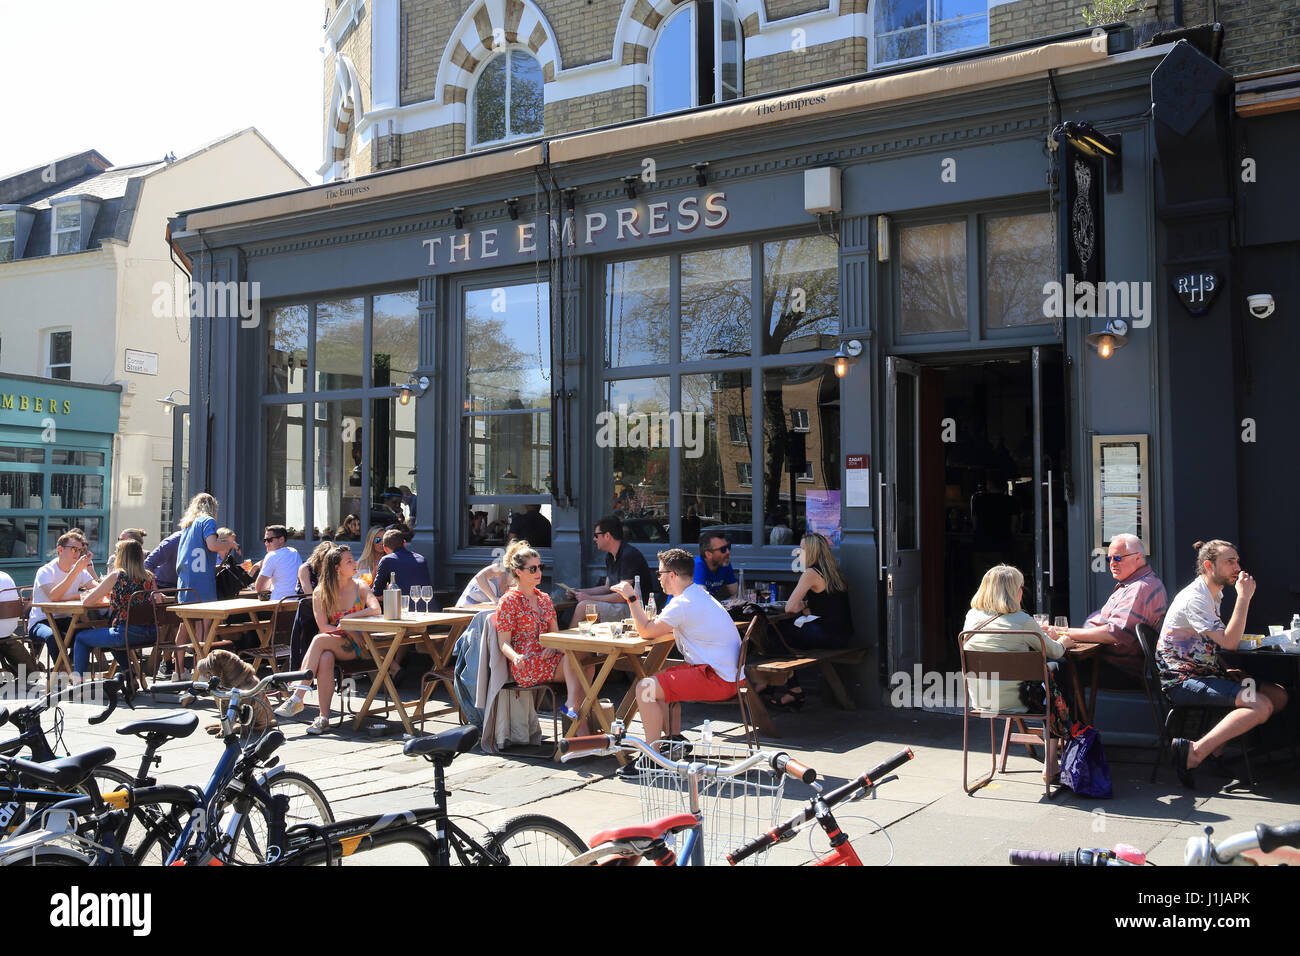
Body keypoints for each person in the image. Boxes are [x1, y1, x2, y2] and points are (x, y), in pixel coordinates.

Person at [1160, 540, 1287, 788]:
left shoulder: (1213, 593)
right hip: (1183, 680)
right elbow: (1229, 641)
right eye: (1230, 562)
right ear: (1209, 565)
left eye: (1237, 561)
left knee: (1277, 695)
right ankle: (1195, 752)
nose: (1237, 567)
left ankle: (1216, 752)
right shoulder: (1195, 598)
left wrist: (1223, 667)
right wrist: (1245, 598)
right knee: (1261, 705)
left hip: (1208, 673)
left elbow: (1206, 643)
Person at [612, 548, 741, 774]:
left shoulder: (682, 603)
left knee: (645, 688)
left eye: (660, 573)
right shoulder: (698, 594)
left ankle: (651, 757)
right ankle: (672, 743)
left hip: (717, 678)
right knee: (659, 679)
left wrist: (631, 597)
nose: (658, 577)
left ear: (672, 575)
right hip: (728, 675)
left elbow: (646, 632)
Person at [962, 564, 1075, 778]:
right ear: (1016, 591)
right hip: (1020, 702)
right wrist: (1065, 641)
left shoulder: (972, 617)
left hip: (982, 701)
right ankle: (1052, 762)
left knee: (1047, 676)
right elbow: (1055, 651)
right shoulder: (1022, 621)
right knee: (1055, 671)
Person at [276, 544, 382, 735]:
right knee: (324, 656)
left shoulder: (360, 586)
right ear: (337, 568)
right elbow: (324, 626)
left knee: (319, 640)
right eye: (349, 561)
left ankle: (298, 696)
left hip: (361, 646)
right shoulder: (321, 592)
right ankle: (323, 718)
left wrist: (347, 620)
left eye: (352, 559)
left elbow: (376, 609)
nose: (354, 563)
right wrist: (348, 630)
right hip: (337, 642)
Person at [494, 541, 593, 734]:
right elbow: (503, 642)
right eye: (532, 569)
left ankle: (573, 710)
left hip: (549, 655)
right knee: (580, 666)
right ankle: (579, 726)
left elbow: (554, 635)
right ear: (519, 572)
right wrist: (515, 657)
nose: (538, 572)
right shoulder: (509, 601)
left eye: (540, 567)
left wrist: (554, 647)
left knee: (588, 661)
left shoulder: (544, 599)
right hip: (526, 661)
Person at [757, 533, 855, 710]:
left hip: (827, 634)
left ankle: (791, 689)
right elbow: (826, 604)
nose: (798, 553)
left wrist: (801, 607)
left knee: (773, 632)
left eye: (802, 549)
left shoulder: (810, 573)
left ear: (812, 552)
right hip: (843, 635)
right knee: (782, 634)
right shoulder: (833, 572)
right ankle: (772, 685)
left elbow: (790, 608)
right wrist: (806, 607)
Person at [1054, 533, 1167, 680]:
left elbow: (1115, 633)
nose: (1112, 563)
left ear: (1138, 557)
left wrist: (1063, 633)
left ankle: (1063, 704)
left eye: (1118, 558)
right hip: (1111, 661)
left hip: (1120, 669)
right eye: (1109, 558)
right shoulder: (1141, 582)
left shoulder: (1139, 588)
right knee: (1057, 667)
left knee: (1053, 669)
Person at [72, 538, 161, 679]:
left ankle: (79, 684)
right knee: (109, 630)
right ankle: (129, 674)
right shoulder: (149, 577)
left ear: (122, 556)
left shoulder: (117, 576)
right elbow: (157, 599)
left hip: (126, 633)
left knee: (81, 638)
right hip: (151, 633)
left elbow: (87, 602)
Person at [171, 493, 233, 678]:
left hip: (185, 580)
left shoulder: (188, 526)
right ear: (213, 508)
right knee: (206, 627)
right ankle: (203, 671)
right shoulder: (208, 521)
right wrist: (229, 543)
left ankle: (178, 671)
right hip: (202, 582)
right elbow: (212, 545)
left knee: (186, 626)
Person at [28, 530, 98, 668]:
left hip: (65, 619)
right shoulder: (46, 571)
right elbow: (54, 596)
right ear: (60, 549)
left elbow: (96, 588)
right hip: (41, 620)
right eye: (73, 549)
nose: (77, 554)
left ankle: (69, 666)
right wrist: (76, 573)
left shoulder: (79, 570)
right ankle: (62, 672)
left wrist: (74, 595)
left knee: (90, 633)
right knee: (53, 637)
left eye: (80, 550)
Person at [572, 515, 657, 625]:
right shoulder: (610, 556)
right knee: (587, 612)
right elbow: (607, 587)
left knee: (584, 607)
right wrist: (578, 592)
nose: (594, 539)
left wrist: (588, 597)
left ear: (607, 535)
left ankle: (561, 642)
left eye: (596, 535)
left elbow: (623, 596)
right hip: (621, 605)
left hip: (635, 609)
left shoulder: (629, 555)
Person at [0, 570, 43, 677]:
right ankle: (28, 669)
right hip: (9, 628)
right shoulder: (5, 575)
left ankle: (9, 669)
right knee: (9, 639)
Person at [372, 529, 433, 602]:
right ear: (404, 543)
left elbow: (377, 593)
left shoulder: (387, 560)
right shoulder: (421, 559)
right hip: (429, 608)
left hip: (403, 609)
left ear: (385, 548)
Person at [253, 525, 303, 602]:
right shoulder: (294, 552)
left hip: (278, 604)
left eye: (269, 540)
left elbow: (259, 588)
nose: (266, 543)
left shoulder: (272, 556)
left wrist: (256, 568)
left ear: (281, 539)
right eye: (265, 540)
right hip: (297, 603)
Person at [694, 531, 738, 603]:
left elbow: (736, 593)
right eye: (723, 549)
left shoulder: (724, 563)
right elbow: (701, 599)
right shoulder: (697, 566)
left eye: (728, 547)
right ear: (708, 554)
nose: (728, 552)